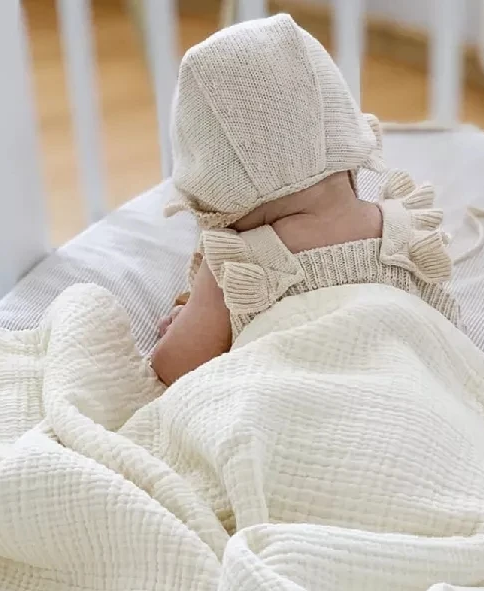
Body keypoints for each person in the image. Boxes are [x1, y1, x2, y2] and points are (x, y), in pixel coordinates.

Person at [151, 13, 458, 386]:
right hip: (407, 398)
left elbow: (174, 367)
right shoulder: (405, 234)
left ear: (219, 199)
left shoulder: (240, 264)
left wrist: (181, 329)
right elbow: (448, 340)